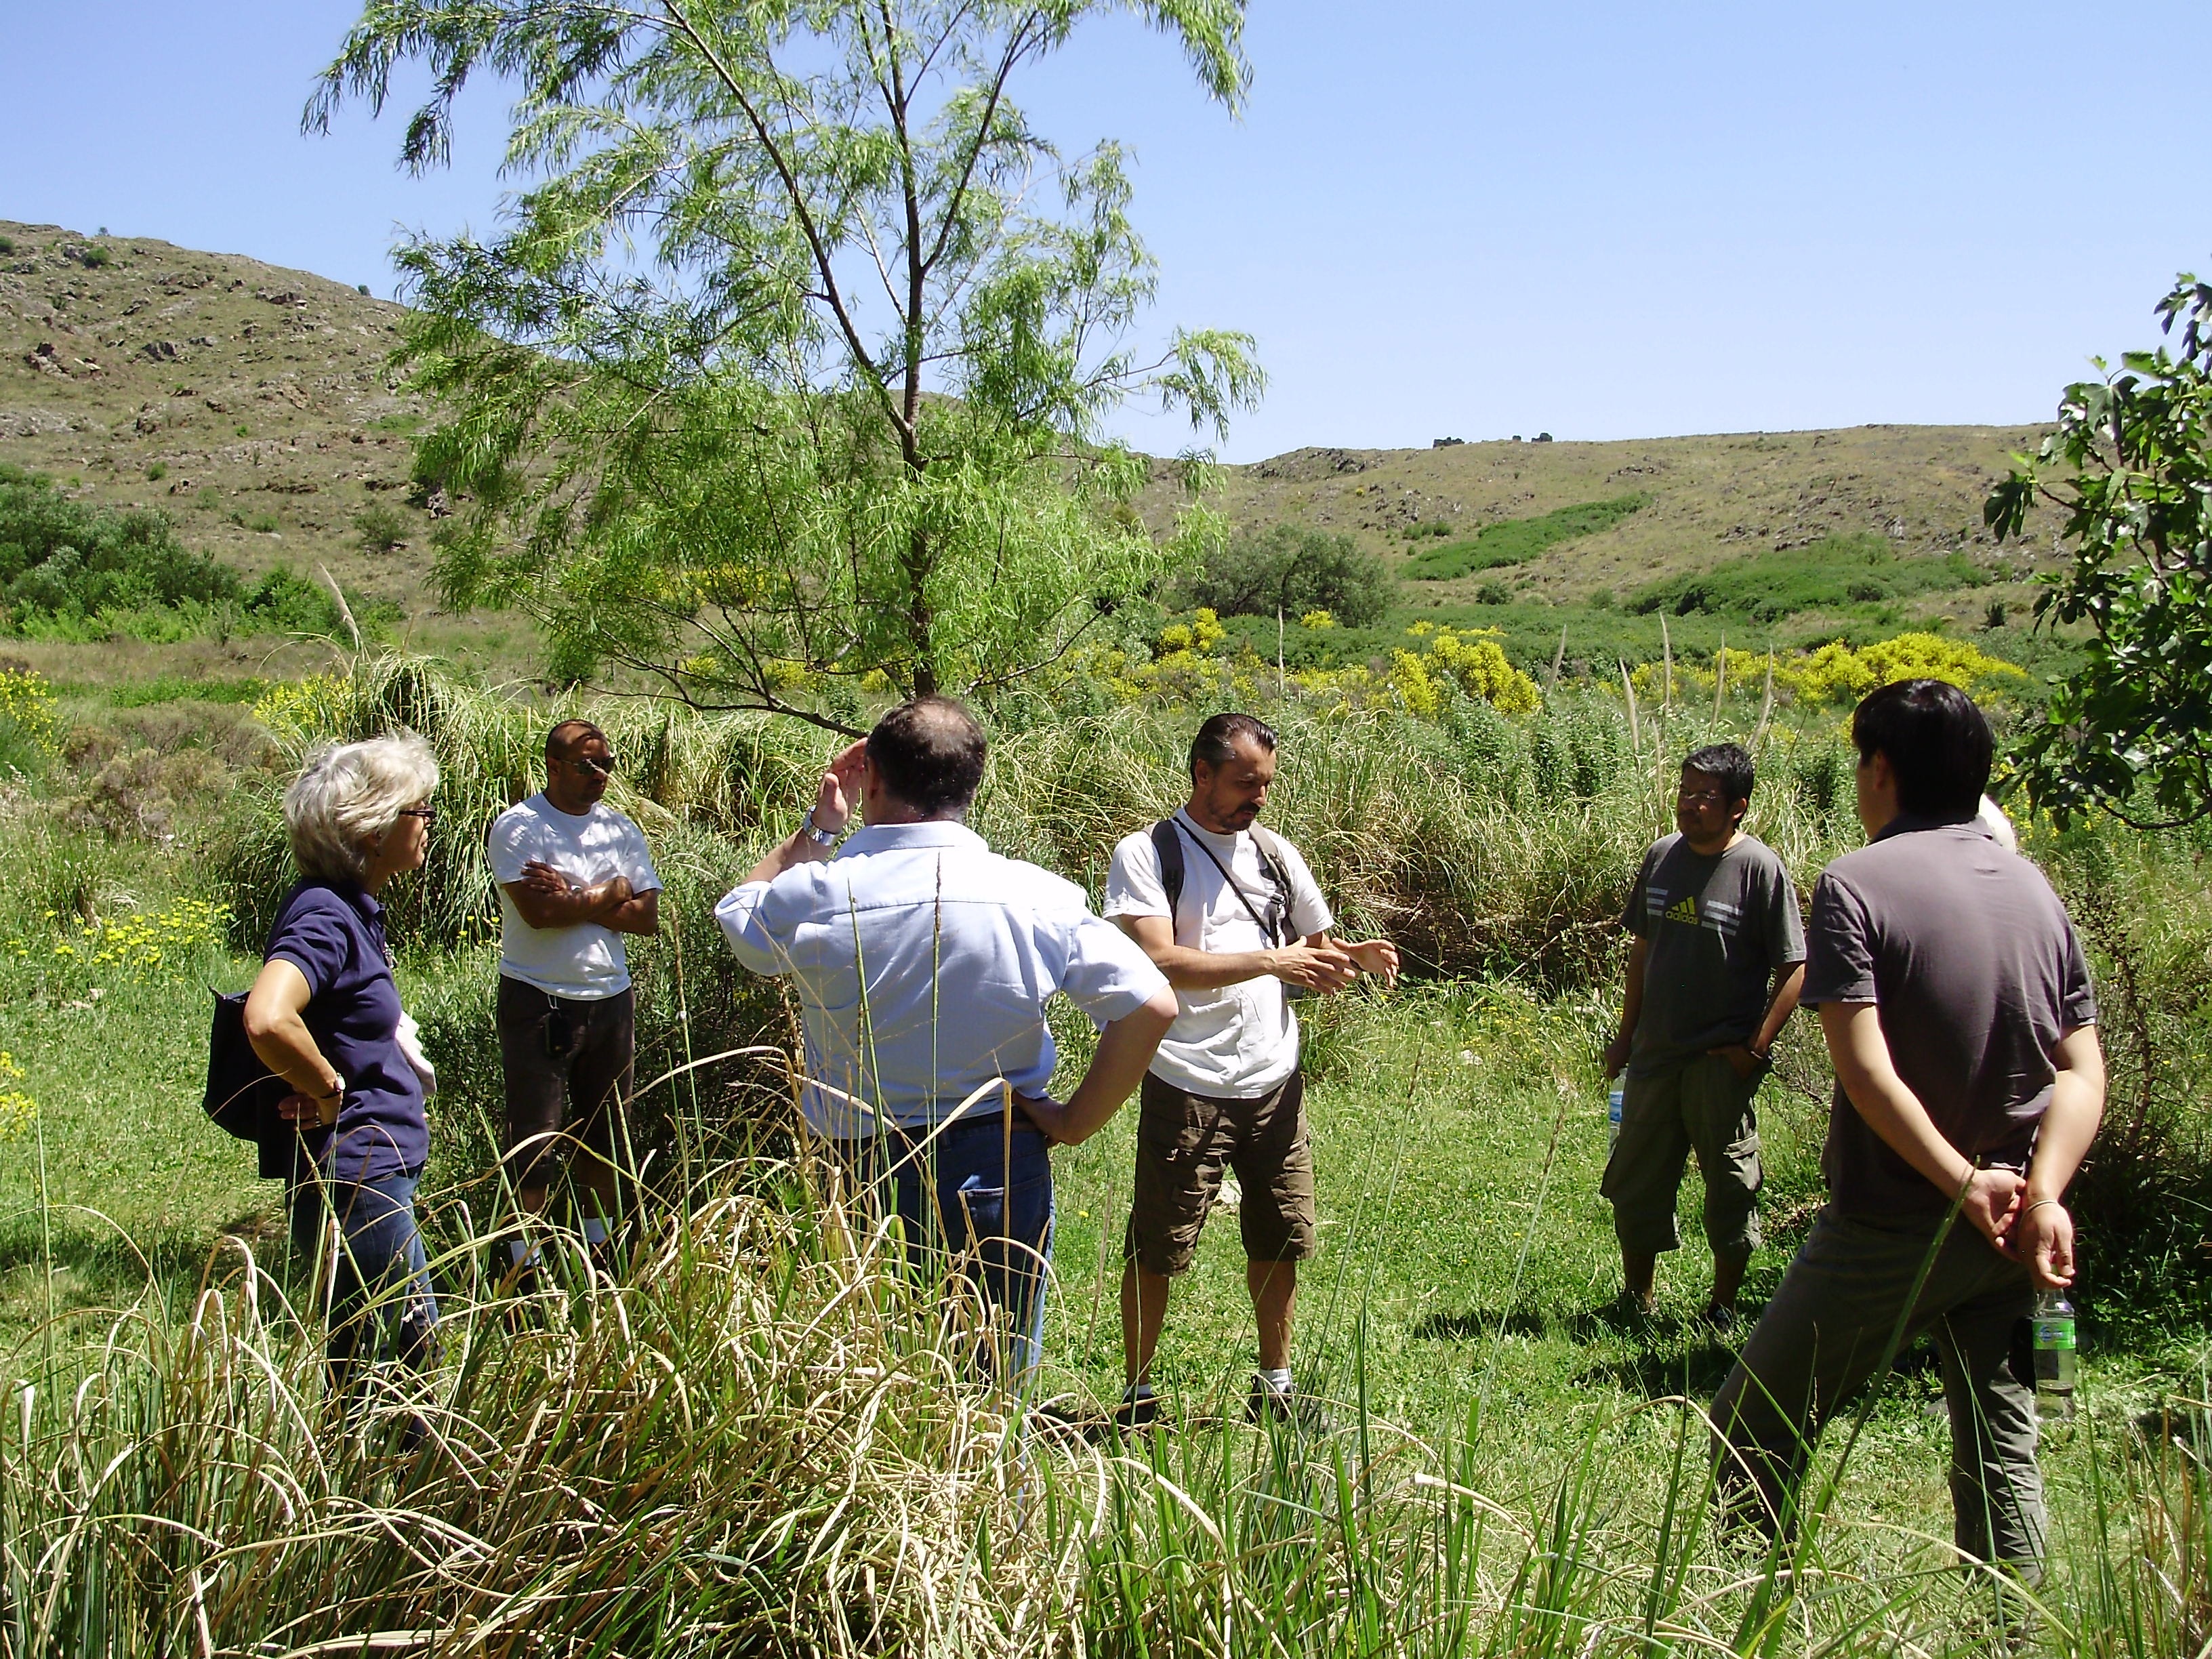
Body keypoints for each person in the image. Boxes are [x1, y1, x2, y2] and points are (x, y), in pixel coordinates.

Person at [1711, 680, 2106, 1582]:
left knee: (1752, 1422)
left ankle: (1753, 1619)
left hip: (1896, 1225)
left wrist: (1961, 1184)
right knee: (2001, 1443)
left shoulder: (1857, 883)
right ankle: (2011, 1636)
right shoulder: (2031, 885)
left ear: (1880, 770)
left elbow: (1866, 1066)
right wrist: (2039, 1193)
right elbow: (2083, 1070)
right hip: (2010, 1232)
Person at [715, 696, 1176, 1376]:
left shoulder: (817, 893)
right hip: (996, 1157)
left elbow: (740, 914)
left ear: (870, 778)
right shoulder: (1033, 895)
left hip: (860, 1166)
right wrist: (1074, 1122)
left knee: (871, 1379)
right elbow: (1151, 1005)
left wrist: (818, 829)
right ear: (970, 785)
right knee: (992, 1380)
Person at [1101, 712, 1399, 1429]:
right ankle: (1139, 1398)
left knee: (1281, 1234)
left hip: (1274, 1080)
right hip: (1187, 1080)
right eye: (1243, 784)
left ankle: (1276, 1386)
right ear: (1202, 774)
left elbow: (1311, 943)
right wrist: (1275, 960)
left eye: (1265, 785)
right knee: (1160, 1245)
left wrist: (1350, 954)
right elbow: (1161, 961)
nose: (1257, 798)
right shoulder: (1148, 854)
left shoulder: (1275, 854)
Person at [244, 731, 441, 1404]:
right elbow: (269, 1018)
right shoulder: (326, 915)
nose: (429, 826)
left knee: (358, 1375)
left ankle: (345, 1502)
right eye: (420, 812)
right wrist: (326, 1089)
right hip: (359, 1176)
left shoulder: (348, 908)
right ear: (374, 827)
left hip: (361, 1171)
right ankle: (418, 1501)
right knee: (409, 1368)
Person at [1600, 742, 1805, 1328]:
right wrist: (1625, 1036)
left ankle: (1723, 1308)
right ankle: (1637, 1299)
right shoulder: (1661, 857)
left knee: (1730, 1190)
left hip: (1720, 1061)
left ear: (1737, 806)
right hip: (1655, 1056)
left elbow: (1796, 966)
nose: (1689, 806)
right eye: (1684, 792)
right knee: (1636, 1182)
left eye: (1705, 798)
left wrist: (1755, 1049)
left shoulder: (1759, 869)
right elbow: (1642, 951)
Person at [487, 720, 661, 1272]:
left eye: (606, 764)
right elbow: (539, 914)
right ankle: (523, 1266)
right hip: (539, 1000)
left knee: (605, 1138)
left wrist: (574, 895)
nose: (599, 775)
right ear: (554, 766)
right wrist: (611, 891)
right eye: (587, 765)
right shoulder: (519, 828)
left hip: (610, 999)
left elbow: (647, 918)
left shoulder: (620, 831)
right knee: (534, 1142)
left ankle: (599, 1256)